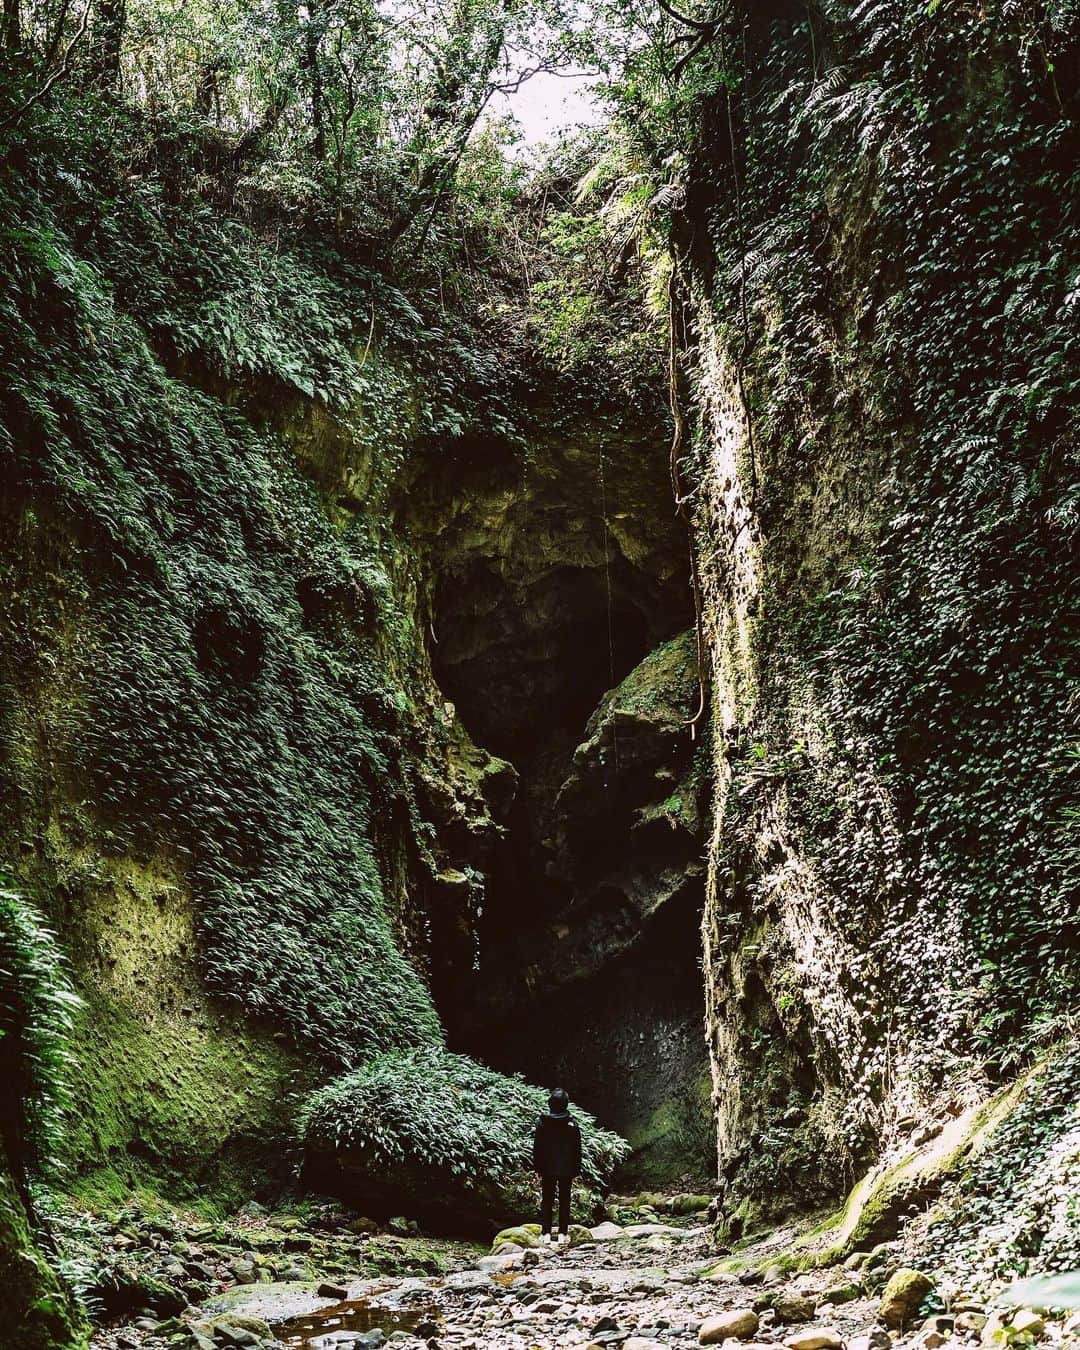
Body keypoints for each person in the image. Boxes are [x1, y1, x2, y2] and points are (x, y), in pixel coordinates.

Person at [532, 1087, 582, 1244]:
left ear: (550, 1103)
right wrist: (576, 1169)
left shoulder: (542, 1122)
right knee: (565, 1200)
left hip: (547, 1168)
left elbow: (537, 1147)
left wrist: (537, 1168)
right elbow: (577, 1149)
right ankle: (562, 1234)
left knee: (546, 1199)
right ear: (566, 1104)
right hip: (566, 1169)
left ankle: (545, 1233)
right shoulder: (571, 1124)